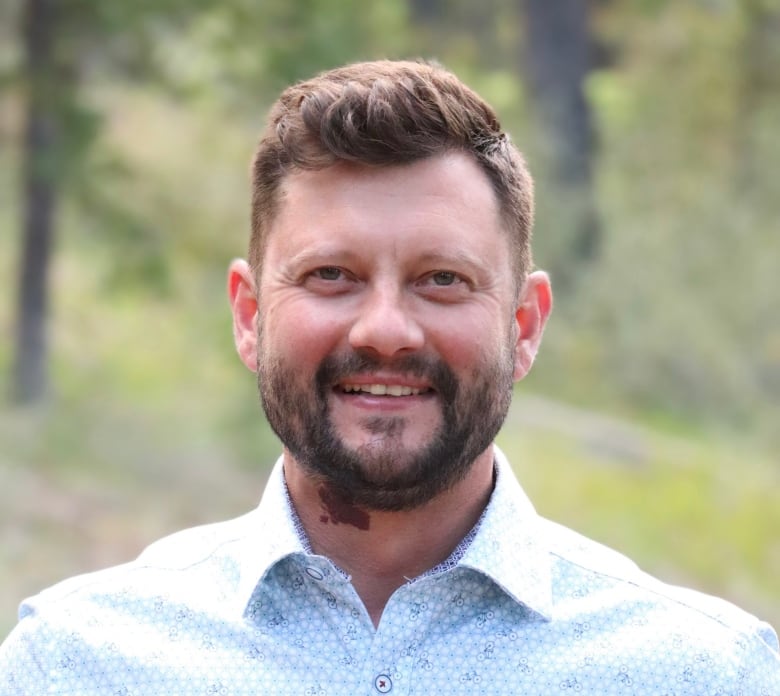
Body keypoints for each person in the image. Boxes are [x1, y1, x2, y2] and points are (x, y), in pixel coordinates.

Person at [1, 60, 778, 695]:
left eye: (441, 279)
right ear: (248, 315)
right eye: (331, 274)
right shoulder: (76, 666)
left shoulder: (704, 675)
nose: (385, 329)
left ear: (525, 325)